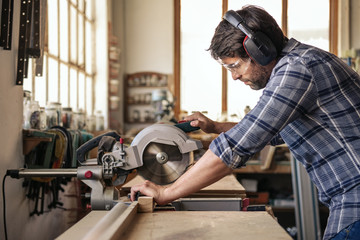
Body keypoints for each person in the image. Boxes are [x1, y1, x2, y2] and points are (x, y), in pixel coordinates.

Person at [130, 5, 360, 240]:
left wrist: (166, 192)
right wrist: (216, 127)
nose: (234, 76)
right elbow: (270, 134)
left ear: (260, 50)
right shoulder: (302, 62)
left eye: (235, 66)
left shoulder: (297, 69)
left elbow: (238, 146)